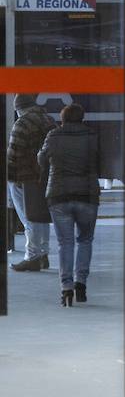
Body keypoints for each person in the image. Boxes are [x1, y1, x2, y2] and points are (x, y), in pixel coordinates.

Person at [37, 103, 100, 307]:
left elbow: (41, 159)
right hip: (87, 195)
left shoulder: (53, 136)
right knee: (85, 240)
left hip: (59, 196)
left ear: (62, 118)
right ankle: (81, 283)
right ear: (82, 118)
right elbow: (102, 160)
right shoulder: (92, 136)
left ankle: (66, 288)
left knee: (65, 243)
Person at [7, 93, 56, 271]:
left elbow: (13, 153)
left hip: (24, 178)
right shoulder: (48, 120)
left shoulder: (22, 123)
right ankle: (43, 255)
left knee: (28, 218)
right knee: (41, 215)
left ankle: (32, 256)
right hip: (45, 177)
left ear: (19, 109)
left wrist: (10, 177)